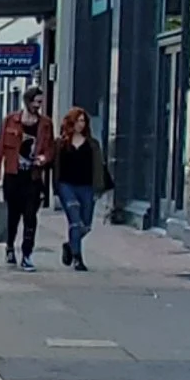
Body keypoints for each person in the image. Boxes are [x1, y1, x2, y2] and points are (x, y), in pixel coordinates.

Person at [0, 88, 55, 267]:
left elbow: (50, 148)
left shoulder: (45, 124)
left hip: (33, 177)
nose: (38, 105)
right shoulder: (11, 120)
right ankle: (10, 247)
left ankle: (27, 254)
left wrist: (44, 158)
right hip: (13, 175)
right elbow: (0, 146)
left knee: (30, 216)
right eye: (35, 101)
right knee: (13, 215)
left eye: (40, 102)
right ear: (27, 101)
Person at [52, 107, 108, 268]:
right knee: (75, 220)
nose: (80, 124)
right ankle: (78, 258)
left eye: (83, 121)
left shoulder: (92, 144)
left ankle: (69, 245)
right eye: (78, 121)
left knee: (86, 225)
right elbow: (55, 166)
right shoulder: (61, 143)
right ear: (71, 122)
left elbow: (98, 167)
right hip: (67, 185)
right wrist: (55, 187)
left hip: (86, 186)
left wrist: (98, 188)